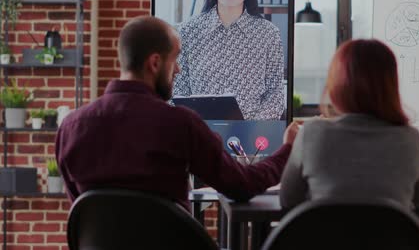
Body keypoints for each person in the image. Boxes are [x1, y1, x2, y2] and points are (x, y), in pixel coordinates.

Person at [55, 16, 301, 211]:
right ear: (155, 63)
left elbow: (84, 210)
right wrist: (289, 147)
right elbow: (242, 185)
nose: (179, 70)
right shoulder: (180, 124)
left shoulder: (70, 128)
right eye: (175, 60)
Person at [280, 39, 419, 209]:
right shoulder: (410, 138)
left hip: (326, 235)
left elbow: (288, 200)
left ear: (337, 85)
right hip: (389, 235)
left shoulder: (311, 134)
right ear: (391, 86)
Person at [173, 0, 284, 120]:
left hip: (251, 139)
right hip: (197, 135)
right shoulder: (187, 31)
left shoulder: (268, 34)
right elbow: (177, 92)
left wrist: (249, 128)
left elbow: (275, 96)